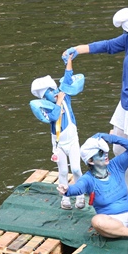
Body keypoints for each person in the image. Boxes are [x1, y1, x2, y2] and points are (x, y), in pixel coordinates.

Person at [60, 5, 128, 219]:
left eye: (127, 32)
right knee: (118, 152)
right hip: (125, 103)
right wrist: (79, 49)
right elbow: (108, 46)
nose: (124, 35)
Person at [57, 133, 128, 249]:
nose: (105, 155)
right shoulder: (88, 179)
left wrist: (112, 139)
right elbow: (78, 187)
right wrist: (67, 190)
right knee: (96, 221)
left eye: (106, 152)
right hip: (111, 223)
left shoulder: (116, 165)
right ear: (91, 161)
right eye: (101, 153)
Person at [30, 54, 84, 210]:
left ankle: (80, 195)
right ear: (43, 96)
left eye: (53, 89)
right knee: (63, 171)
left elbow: (67, 78)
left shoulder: (65, 97)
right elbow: (54, 115)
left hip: (73, 140)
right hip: (59, 145)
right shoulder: (47, 108)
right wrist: (58, 100)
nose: (53, 92)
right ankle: (65, 199)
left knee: (76, 169)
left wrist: (69, 62)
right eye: (49, 92)